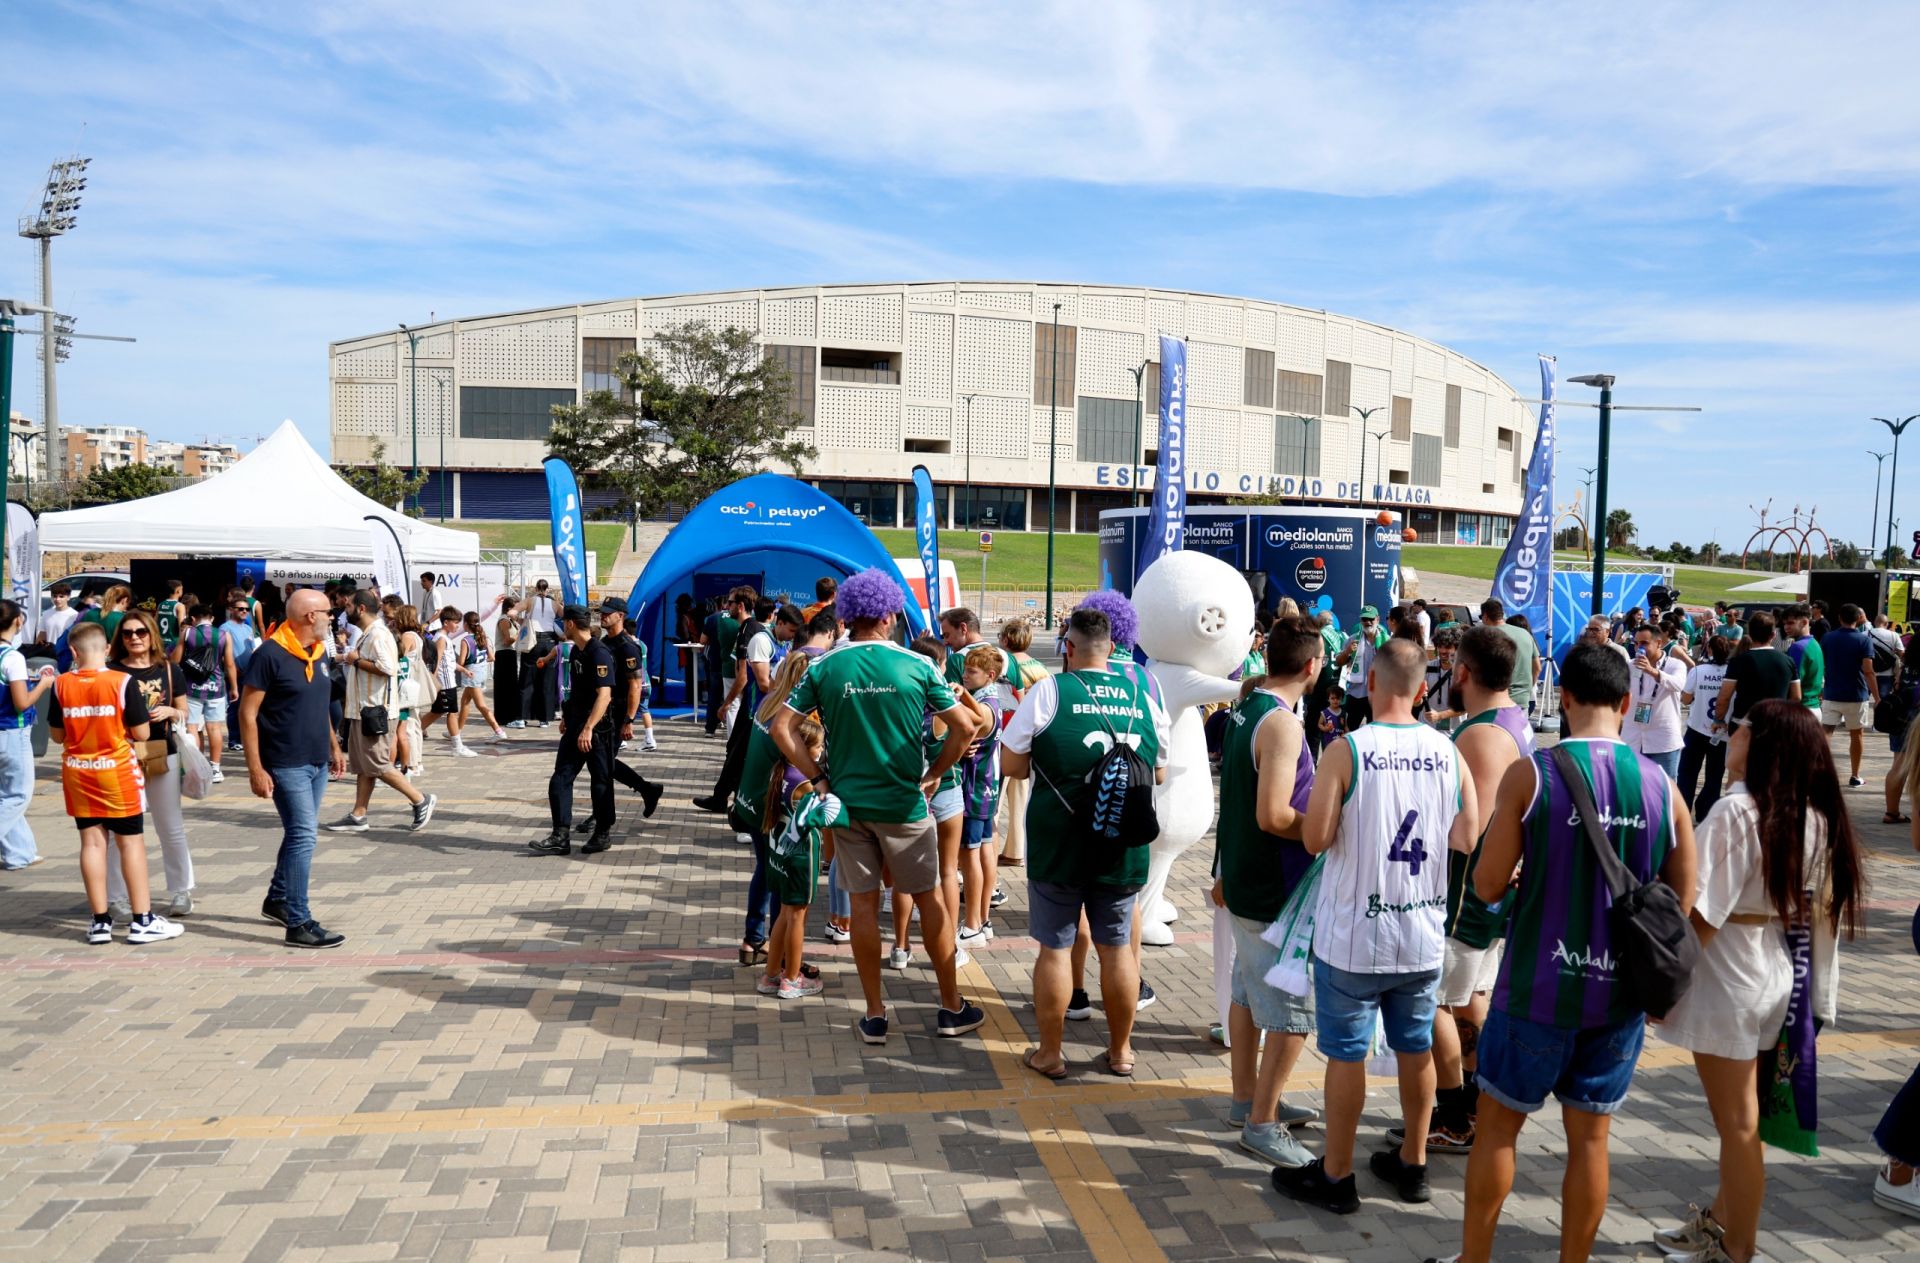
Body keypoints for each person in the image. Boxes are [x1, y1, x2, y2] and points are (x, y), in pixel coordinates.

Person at [1440, 642, 1698, 1263]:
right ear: (1625, 701)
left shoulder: (1534, 774)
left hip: (1536, 987)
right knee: (1591, 1142)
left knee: (1499, 1131)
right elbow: (1680, 904)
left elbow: (1486, 883)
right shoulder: (1664, 785)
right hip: (1616, 1000)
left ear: (1567, 697)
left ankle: (1475, 1258)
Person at [1653, 699, 1864, 1263]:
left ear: (1762, 742)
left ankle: (1736, 1247)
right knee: (1740, 1121)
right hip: (1777, 972)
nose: (1731, 735)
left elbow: (1703, 913)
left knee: (1737, 1126)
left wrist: (1660, 987)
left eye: (1740, 728)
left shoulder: (1739, 809)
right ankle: (1720, 1223)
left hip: (1729, 975)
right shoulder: (1816, 812)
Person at [1275, 639, 1476, 1214]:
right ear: (1420, 689)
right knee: (1416, 1051)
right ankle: (1413, 1163)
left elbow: (1315, 839)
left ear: (1370, 678)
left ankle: (1337, 1175)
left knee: (1347, 1054)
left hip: (1355, 931)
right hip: (1420, 930)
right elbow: (1467, 834)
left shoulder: (1347, 749)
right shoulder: (1447, 750)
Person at [771, 567, 985, 1045]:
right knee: (928, 898)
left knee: (862, 908)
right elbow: (966, 728)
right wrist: (933, 773)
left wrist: (820, 778)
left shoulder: (825, 667)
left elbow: (782, 727)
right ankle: (950, 1005)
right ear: (889, 615)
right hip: (904, 804)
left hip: (848, 806)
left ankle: (874, 1013)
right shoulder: (917, 666)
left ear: (848, 615)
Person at [1001, 605, 1168, 1079]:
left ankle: (1050, 1054)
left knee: (1055, 948)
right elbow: (1158, 770)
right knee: (1117, 948)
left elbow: (1012, 766)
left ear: (1068, 649)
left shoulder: (1050, 690)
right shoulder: (1142, 696)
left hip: (1060, 841)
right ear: (1112, 649)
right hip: (1123, 841)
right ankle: (1121, 1051)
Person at [1389, 626, 1534, 1159]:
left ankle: (1453, 1113)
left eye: (1452, 665)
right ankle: (1472, 1106)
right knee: (1470, 999)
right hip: (1491, 892)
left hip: (1468, 894)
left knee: (1434, 1003)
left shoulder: (1482, 735)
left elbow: (1471, 830)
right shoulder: (1511, 722)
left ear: (1465, 672)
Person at [1212, 615, 1324, 1167]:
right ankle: (1261, 1122)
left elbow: (1235, 799)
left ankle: (1247, 1100)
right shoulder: (1282, 724)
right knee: (1292, 1012)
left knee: (1245, 995)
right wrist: (1327, 827)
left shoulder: (1247, 707)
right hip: (1276, 889)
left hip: (1246, 878)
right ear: (1311, 665)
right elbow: (1274, 814)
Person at [49, 621, 181, 945]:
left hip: (79, 771)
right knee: (130, 843)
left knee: (92, 844)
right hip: (117, 773)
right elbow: (142, 733)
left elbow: (56, 735)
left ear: (72, 652)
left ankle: (99, 922)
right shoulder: (122, 682)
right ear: (107, 649)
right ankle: (142, 920)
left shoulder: (61, 684)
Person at [239, 590, 348, 949]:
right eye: (328, 613)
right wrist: (255, 768)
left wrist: (333, 745)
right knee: (304, 836)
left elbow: (318, 705)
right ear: (309, 616)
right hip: (286, 762)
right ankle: (299, 921)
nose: (333, 618)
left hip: (316, 758)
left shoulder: (318, 652)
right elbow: (247, 713)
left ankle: (278, 899)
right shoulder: (270, 654)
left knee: (300, 833)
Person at [104, 609, 195, 920]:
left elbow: (185, 712)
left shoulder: (169, 671)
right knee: (122, 830)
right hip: (123, 755)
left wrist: (171, 710)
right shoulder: (112, 671)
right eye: (127, 633)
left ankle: (181, 890)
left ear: (152, 634)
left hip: (161, 751)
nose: (134, 638)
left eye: (140, 632)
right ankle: (116, 897)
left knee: (170, 826)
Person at [326, 591, 436, 834]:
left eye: (350, 605)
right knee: (365, 766)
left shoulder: (378, 633)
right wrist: (347, 657)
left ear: (362, 609)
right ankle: (358, 814)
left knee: (378, 764)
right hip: (363, 709)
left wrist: (355, 660)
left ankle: (420, 799)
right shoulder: (370, 633)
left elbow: (388, 668)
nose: (346, 609)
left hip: (376, 711)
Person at [731, 652, 817, 966]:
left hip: (750, 801)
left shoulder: (768, 703)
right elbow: (804, 766)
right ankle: (780, 953)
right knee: (780, 875)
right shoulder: (789, 718)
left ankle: (754, 939)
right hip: (769, 807)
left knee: (766, 871)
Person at [755, 714, 838, 999]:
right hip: (800, 855)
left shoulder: (780, 771)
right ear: (802, 748)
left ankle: (771, 974)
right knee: (797, 918)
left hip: (779, 851)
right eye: (818, 747)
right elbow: (827, 815)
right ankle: (792, 978)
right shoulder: (803, 783)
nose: (821, 751)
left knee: (784, 915)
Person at [528, 606, 616, 856]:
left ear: (569, 624)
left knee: (601, 781)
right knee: (560, 778)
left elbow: (605, 696)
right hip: (576, 725)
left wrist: (588, 728)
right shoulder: (577, 651)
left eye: (561, 623)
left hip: (595, 730)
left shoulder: (599, 653)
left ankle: (602, 832)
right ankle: (560, 835)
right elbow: (577, 692)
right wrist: (568, 717)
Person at [575, 597, 664, 842]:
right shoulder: (602, 643)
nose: (602, 616)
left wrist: (629, 719)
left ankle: (605, 814)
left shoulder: (627, 646)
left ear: (621, 616)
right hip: (604, 713)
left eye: (608, 613)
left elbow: (635, 685)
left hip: (617, 713)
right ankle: (645, 790)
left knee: (603, 767)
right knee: (603, 766)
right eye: (601, 613)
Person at [956, 645, 1006, 953]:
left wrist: (959, 747)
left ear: (989, 675)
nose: (964, 675)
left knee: (969, 856)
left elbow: (963, 734)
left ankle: (973, 922)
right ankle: (983, 919)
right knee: (984, 850)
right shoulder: (992, 699)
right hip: (988, 787)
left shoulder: (983, 706)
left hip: (974, 790)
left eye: (971, 672)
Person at [0, 599, 56, 872]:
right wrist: (44, 684)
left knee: (6, 794)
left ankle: (19, 853)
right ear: (18, 622)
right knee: (18, 795)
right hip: (12, 731)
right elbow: (22, 702)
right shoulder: (12, 657)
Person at [996, 618, 1050, 867]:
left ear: (1006, 639)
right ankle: (1016, 850)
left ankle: (991, 843)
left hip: (1007, 736)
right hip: (1033, 741)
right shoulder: (1040, 667)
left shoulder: (1003, 665)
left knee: (996, 803)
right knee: (1020, 798)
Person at [1820, 602, 1880, 788]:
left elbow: (1822, 665)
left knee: (1826, 733)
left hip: (1831, 692)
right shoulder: (1864, 640)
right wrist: (1877, 697)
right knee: (1857, 735)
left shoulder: (1828, 638)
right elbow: (1868, 671)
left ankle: (1820, 772)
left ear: (1839, 618)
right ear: (1859, 619)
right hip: (1856, 693)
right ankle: (1855, 775)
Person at [1714, 613, 1800, 743]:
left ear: (1749, 634)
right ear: (1773, 635)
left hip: (1743, 725)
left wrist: (1718, 720)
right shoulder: (1788, 661)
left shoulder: (1738, 661)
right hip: (1776, 725)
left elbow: (1724, 697)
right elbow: (1796, 697)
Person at [181, 605, 239, 784]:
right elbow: (229, 663)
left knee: (192, 728)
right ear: (212, 619)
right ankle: (215, 768)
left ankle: (195, 768)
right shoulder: (223, 635)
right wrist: (234, 687)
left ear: (192, 619)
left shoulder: (187, 634)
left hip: (192, 687)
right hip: (216, 687)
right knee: (214, 728)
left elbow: (176, 659)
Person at [1623, 622, 1687, 778]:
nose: (1639, 648)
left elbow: (1678, 684)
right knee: (1632, 789)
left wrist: (1652, 671)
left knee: (1665, 790)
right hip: (1633, 739)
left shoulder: (1675, 664)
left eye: (1644, 643)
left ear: (1659, 643)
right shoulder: (1629, 666)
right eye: (1636, 643)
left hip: (1662, 740)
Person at [1679, 633, 1734, 815]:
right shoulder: (1733, 673)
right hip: (1721, 731)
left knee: (1687, 774)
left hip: (1696, 728)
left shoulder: (1698, 671)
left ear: (1709, 649)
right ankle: (1706, 812)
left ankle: (1683, 811)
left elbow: (1685, 699)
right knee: (1714, 776)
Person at [1480, 598, 1540, 713]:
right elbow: (1537, 668)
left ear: (1486, 616)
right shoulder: (1525, 634)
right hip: (1522, 701)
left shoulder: (1488, 637)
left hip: (1496, 702)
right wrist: (1526, 690)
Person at [456, 610, 508, 742]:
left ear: (466, 624)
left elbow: (461, 662)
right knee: (465, 702)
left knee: (481, 705)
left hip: (471, 674)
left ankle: (498, 731)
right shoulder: (483, 637)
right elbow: (492, 657)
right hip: (481, 673)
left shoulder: (466, 640)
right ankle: (456, 731)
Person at [1333, 605, 1386, 730]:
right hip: (1356, 694)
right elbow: (1338, 662)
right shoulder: (1353, 640)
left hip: (1378, 695)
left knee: (1376, 732)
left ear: (1377, 619)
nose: (1367, 622)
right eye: (1364, 619)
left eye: (1371, 619)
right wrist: (1347, 652)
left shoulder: (1386, 641)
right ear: (1360, 621)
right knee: (1351, 731)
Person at [518, 579, 560, 727]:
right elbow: (566, 615)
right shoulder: (555, 604)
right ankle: (545, 719)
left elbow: (511, 612)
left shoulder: (529, 601)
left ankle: (522, 718)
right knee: (547, 681)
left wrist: (523, 621)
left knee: (527, 679)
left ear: (536, 588)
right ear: (547, 589)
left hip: (533, 641)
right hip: (549, 641)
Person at [392, 605, 426, 778]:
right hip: (414, 683)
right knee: (416, 724)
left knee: (409, 726)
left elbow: (398, 655)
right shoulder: (417, 636)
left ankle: (411, 764)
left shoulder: (406, 636)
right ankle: (417, 761)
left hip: (406, 684)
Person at [701, 595, 742, 736]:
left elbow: (703, 640)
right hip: (735, 665)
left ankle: (710, 729)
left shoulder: (713, 618)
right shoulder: (741, 619)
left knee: (714, 696)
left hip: (716, 663)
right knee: (734, 701)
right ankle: (733, 731)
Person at [938, 607, 1008, 686]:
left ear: (963, 628)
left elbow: (949, 697)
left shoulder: (956, 660)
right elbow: (1019, 697)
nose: (945, 642)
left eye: (947, 635)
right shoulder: (1009, 657)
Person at [492, 594, 524, 729]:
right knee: (505, 686)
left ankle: (510, 715)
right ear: (509, 608)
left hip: (510, 654)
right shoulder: (504, 620)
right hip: (504, 654)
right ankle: (504, 716)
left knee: (511, 686)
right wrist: (519, 634)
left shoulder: (512, 620)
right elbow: (506, 640)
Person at [41, 583, 79, 649]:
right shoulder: (46, 614)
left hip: (66, 653)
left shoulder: (75, 615)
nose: (57, 599)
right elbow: (41, 636)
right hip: (49, 653)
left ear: (68, 597)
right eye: (55, 596)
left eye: (61, 596)